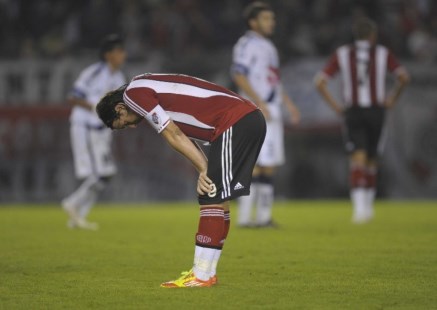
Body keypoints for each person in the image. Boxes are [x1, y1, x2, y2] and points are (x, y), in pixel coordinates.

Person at [96, 73, 266, 288]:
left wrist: (204, 170)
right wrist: (203, 169)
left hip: (236, 121)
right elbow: (183, 135)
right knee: (217, 195)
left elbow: (172, 134)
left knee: (210, 193)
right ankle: (206, 273)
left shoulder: (134, 96)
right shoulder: (144, 86)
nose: (132, 126)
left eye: (122, 123)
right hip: (245, 119)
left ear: (120, 109)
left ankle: (202, 276)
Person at [314, 18, 409, 223]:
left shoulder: (342, 54)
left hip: (353, 111)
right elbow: (404, 77)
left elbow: (320, 82)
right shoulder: (383, 53)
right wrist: (392, 98)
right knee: (372, 159)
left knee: (357, 158)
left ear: (355, 35)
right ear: (373, 35)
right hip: (377, 110)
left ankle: (359, 210)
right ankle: (367, 207)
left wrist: (337, 107)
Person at [231, 2, 300, 227]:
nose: (272, 22)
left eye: (272, 18)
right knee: (254, 163)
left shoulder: (269, 47)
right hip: (255, 110)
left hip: (272, 108)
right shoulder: (246, 44)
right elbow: (238, 74)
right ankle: (244, 218)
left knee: (269, 164)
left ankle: (263, 217)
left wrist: (289, 105)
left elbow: (274, 80)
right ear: (253, 22)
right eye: (266, 18)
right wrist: (258, 101)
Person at [62, 34, 127, 230]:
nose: (123, 55)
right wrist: (98, 107)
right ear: (108, 55)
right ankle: (72, 205)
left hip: (102, 130)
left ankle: (77, 218)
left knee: (105, 174)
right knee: (99, 174)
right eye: (119, 51)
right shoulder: (94, 72)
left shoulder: (119, 77)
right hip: (86, 127)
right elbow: (73, 97)